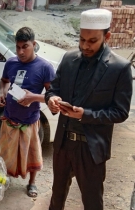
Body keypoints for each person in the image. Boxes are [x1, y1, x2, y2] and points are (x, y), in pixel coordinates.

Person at [45, 9, 133, 210]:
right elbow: (53, 89)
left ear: (107, 36)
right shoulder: (68, 59)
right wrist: (52, 99)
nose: (85, 45)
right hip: (63, 143)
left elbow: (120, 112)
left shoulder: (120, 68)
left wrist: (86, 115)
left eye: (92, 41)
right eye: (82, 39)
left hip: (91, 148)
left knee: (92, 201)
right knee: (56, 196)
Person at [0, 27, 55, 198]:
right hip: (9, 119)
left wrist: (33, 97)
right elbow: (4, 81)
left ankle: (31, 183)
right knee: (5, 154)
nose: (21, 52)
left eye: (25, 46)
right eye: (18, 47)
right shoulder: (11, 63)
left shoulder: (45, 67)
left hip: (29, 121)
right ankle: (4, 180)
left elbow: (53, 97)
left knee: (31, 154)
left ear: (34, 44)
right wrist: (2, 92)